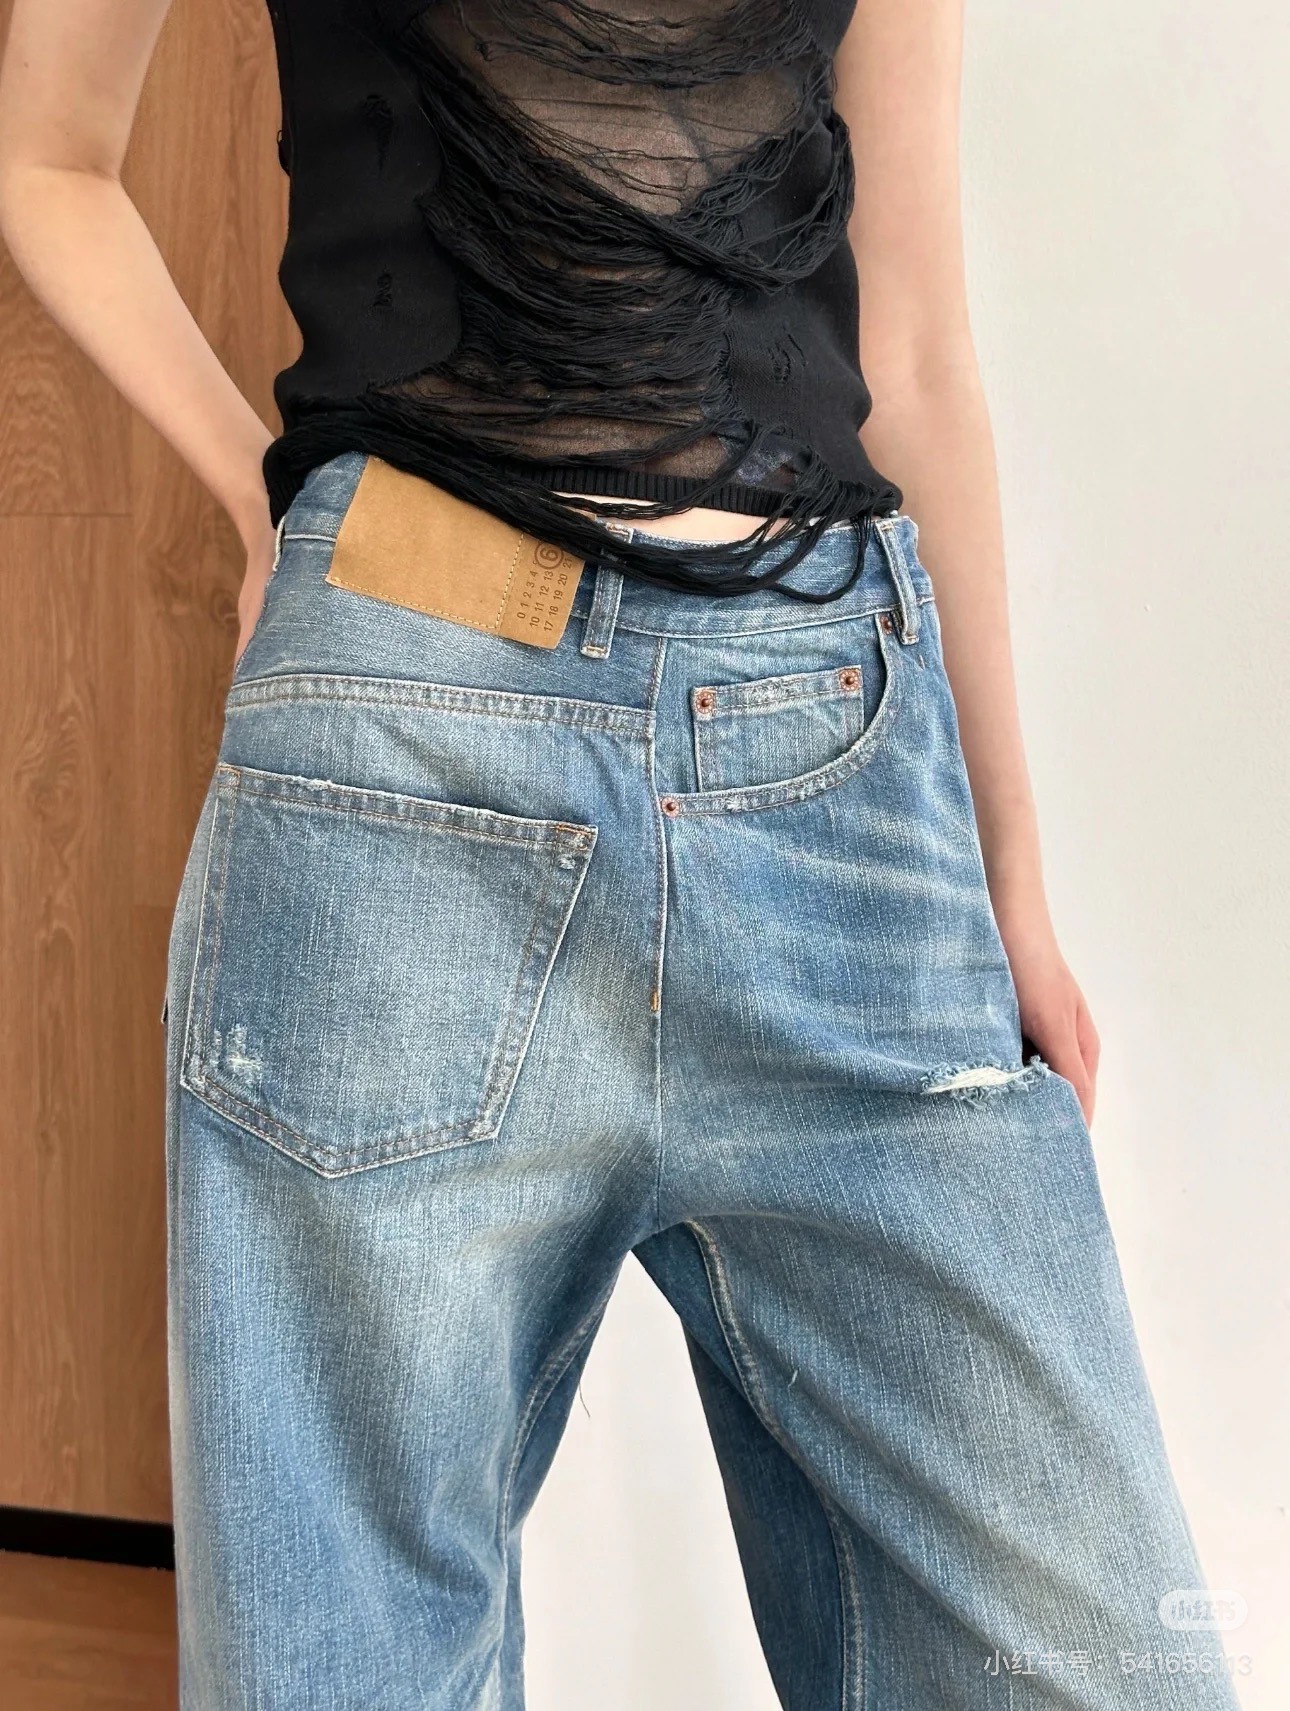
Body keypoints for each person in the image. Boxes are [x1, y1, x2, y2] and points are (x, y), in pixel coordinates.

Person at [0, 3, 1242, 1707]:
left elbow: (913, 347)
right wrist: (258, 498)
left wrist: (1004, 872)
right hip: (410, 729)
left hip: (836, 757)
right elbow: (47, 157)